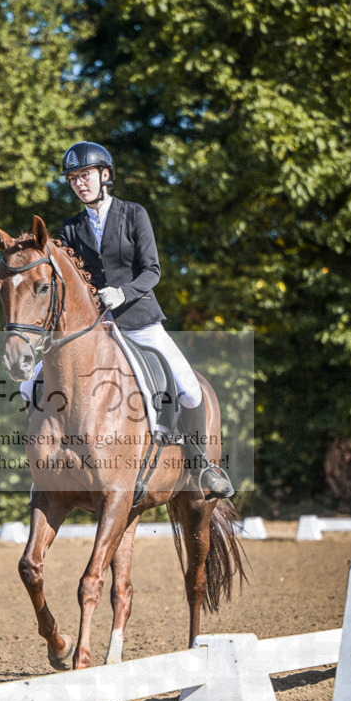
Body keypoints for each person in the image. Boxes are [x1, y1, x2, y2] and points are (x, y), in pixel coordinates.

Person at [59, 140, 234, 500]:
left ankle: (202, 467)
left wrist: (123, 293)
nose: (79, 183)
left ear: (105, 175)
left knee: (187, 385)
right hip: (97, 330)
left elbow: (152, 270)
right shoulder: (70, 229)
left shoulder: (133, 213)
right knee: (35, 384)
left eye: (85, 175)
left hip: (140, 320)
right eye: (73, 178)